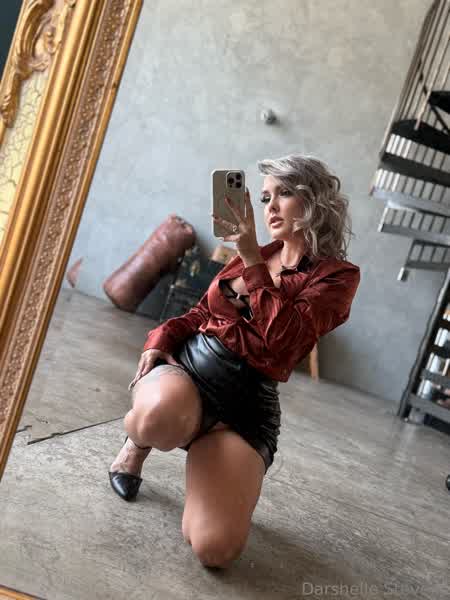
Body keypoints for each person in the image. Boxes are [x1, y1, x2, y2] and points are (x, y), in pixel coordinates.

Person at [108, 154, 361, 568]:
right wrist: (160, 339)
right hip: (191, 373)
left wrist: (251, 258)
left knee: (216, 549)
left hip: (247, 409)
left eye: (284, 193)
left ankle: (213, 470)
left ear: (314, 200)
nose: (270, 207)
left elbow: (285, 341)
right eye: (265, 197)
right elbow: (201, 314)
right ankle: (136, 447)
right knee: (156, 419)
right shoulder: (255, 252)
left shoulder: (337, 277)